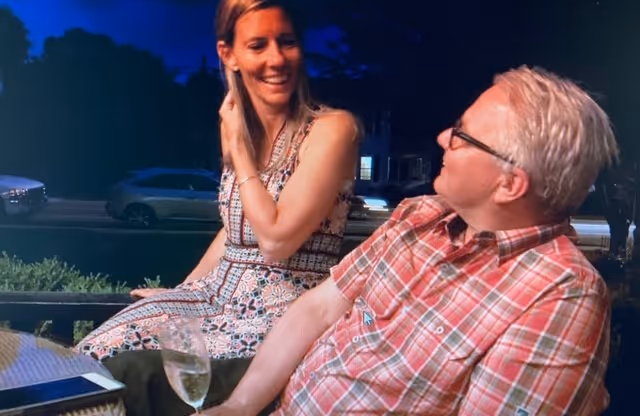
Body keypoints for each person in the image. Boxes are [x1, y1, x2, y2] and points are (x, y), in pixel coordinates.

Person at [106, 65, 617, 416]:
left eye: (462, 135)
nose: (442, 138)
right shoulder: (420, 217)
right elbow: (318, 309)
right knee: (118, 375)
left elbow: (275, 240)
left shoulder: (560, 295)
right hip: (280, 396)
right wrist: (240, 405)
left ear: (510, 183)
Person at [76, 0, 358, 362]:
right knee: (94, 349)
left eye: (287, 42)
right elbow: (234, 230)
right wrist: (182, 290)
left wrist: (238, 150)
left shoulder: (331, 129)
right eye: (258, 45)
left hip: (282, 313)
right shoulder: (244, 131)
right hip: (214, 295)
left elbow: (276, 242)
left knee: (131, 364)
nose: (276, 58)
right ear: (229, 55)